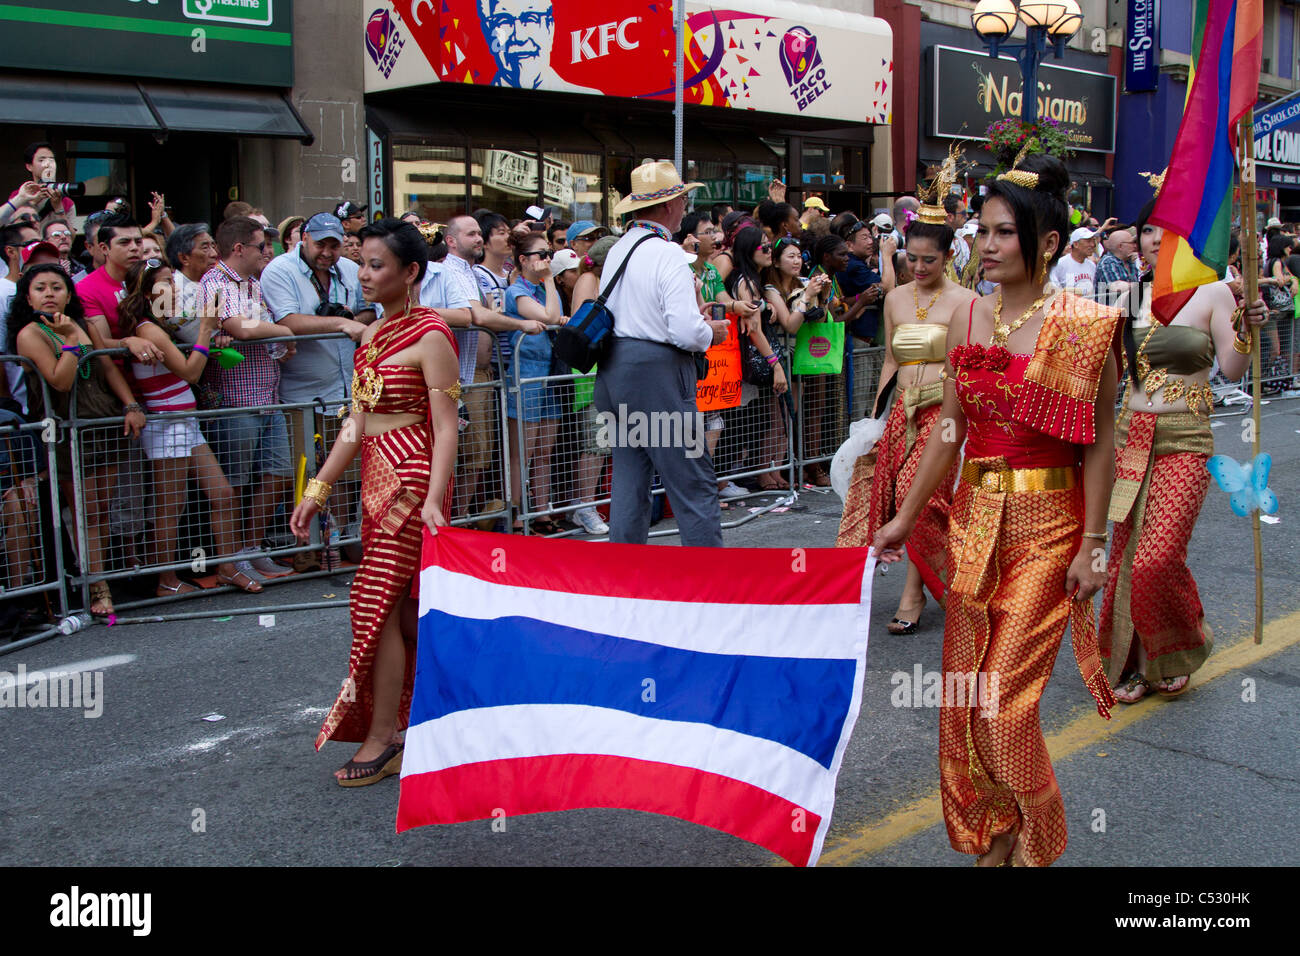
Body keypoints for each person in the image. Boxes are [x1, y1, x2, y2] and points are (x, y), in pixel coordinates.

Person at [873, 152, 1123, 867]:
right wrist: (902, 515)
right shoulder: (968, 314)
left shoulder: (1085, 325)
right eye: (980, 231)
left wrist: (1094, 544)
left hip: (1051, 532)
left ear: (1045, 243)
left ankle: (1035, 843)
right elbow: (949, 431)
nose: (984, 244)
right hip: (973, 526)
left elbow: (1102, 445)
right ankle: (1000, 825)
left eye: (1002, 232)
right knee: (962, 698)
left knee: (1002, 704)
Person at [290, 218, 460, 785]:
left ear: (410, 272)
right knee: (409, 611)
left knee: (376, 602)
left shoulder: (432, 334)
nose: (362, 274)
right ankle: (443, 710)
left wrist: (436, 498)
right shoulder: (371, 336)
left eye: (376, 264)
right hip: (373, 475)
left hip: (412, 478)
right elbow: (355, 423)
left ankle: (382, 735)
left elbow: (446, 425)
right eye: (360, 262)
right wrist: (317, 489)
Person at [1099, 200, 1268, 703]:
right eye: (1147, 230)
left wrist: (1249, 324)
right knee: (1127, 555)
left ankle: (1182, 645)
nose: (1154, 239)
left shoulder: (1214, 292)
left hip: (1187, 439)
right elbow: (1107, 371)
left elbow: (1234, 370)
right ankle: (1132, 661)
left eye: (1166, 230)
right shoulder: (1124, 294)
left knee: (1159, 557)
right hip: (1131, 434)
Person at [838, 204, 975, 636]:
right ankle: (928, 584)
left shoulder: (967, 303)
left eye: (928, 260)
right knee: (891, 498)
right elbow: (891, 361)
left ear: (949, 256)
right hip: (903, 407)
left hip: (945, 412)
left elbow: (968, 371)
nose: (917, 267)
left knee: (925, 497)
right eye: (910, 258)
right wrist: (876, 417)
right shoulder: (896, 298)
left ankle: (920, 592)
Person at [595, 160, 729, 546]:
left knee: (630, 480)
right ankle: (706, 587)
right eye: (683, 199)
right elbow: (685, 331)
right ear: (669, 205)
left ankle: (626, 578)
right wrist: (711, 331)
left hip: (615, 376)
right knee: (693, 482)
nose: (685, 207)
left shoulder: (619, 249)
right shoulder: (668, 253)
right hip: (657, 380)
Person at [115, 259, 258, 596]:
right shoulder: (148, 327)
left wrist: (210, 339)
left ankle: (226, 568)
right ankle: (166, 580)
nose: (175, 288)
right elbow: (191, 372)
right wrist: (207, 330)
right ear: (149, 291)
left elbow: (196, 356)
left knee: (222, 495)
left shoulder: (166, 322)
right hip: (167, 424)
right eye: (167, 282)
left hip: (184, 422)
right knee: (170, 505)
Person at [9, 264, 145, 617]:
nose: (50, 293)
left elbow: (108, 367)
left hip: (103, 422)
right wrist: (69, 338)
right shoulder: (31, 334)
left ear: (69, 294)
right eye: (41, 288)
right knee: (84, 512)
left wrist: (130, 404)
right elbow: (61, 381)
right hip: (67, 431)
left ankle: (100, 580)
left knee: (100, 508)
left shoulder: (83, 325)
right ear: (28, 296)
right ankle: (98, 590)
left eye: (57, 286)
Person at [197, 215, 297, 583]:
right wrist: (285, 331)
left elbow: (258, 329)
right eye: (261, 246)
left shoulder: (254, 285)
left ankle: (249, 549)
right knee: (235, 483)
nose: (267, 252)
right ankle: (232, 557)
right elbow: (237, 326)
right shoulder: (213, 282)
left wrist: (279, 345)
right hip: (235, 400)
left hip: (268, 395)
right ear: (238, 248)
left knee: (278, 474)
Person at [503, 230, 565, 533]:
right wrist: (550, 278)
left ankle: (541, 512)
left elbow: (556, 316)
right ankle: (517, 513)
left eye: (548, 254)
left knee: (544, 449)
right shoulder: (517, 291)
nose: (546, 260)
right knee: (522, 452)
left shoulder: (541, 288)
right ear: (524, 260)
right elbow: (551, 317)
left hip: (549, 370)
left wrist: (549, 284)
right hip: (525, 371)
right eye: (541, 255)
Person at [725, 228, 792, 491]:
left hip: (750, 359)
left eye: (769, 246)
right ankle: (758, 475)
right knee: (754, 421)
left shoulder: (751, 280)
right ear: (749, 251)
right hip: (754, 359)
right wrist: (775, 365)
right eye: (763, 247)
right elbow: (753, 330)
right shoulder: (747, 282)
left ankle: (769, 472)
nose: (769, 251)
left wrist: (768, 306)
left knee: (768, 418)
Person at [164, 223, 218, 344]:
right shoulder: (173, 291)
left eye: (213, 246)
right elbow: (195, 337)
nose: (214, 254)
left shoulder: (213, 284)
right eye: (205, 248)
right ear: (184, 258)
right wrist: (217, 337)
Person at [1049, 227, 1099, 296]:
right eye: (1088, 241)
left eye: (1093, 241)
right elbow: (1053, 290)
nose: (1093, 245)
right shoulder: (1060, 264)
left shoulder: (1092, 265)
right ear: (1076, 244)